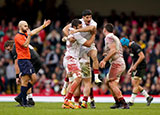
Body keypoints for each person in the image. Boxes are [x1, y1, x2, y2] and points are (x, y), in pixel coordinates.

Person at [14, 19, 51, 107]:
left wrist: (43, 26)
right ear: (20, 27)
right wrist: (29, 35)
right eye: (25, 26)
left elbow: (33, 31)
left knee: (32, 79)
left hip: (27, 60)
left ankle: (21, 98)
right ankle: (23, 100)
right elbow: (26, 45)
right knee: (28, 80)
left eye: (27, 26)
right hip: (23, 60)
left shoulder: (24, 34)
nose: (27, 27)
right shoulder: (18, 37)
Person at [62, 19, 96, 109]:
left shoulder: (71, 32)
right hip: (71, 59)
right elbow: (88, 44)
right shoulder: (76, 34)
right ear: (74, 27)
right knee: (79, 77)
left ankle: (65, 102)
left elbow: (66, 32)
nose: (81, 28)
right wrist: (93, 35)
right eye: (79, 27)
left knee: (72, 81)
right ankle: (67, 100)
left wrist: (67, 37)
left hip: (69, 58)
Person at [63, 9, 101, 83]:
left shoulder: (93, 23)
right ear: (83, 17)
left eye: (90, 17)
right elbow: (64, 29)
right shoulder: (78, 22)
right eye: (87, 17)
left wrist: (76, 31)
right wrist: (70, 37)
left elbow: (91, 28)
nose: (89, 19)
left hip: (89, 44)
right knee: (71, 69)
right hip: (79, 45)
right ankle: (65, 84)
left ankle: (96, 77)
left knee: (94, 56)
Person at [100, 23, 129, 109]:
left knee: (111, 83)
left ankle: (123, 103)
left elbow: (113, 51)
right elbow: (116, 50)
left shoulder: (108, 37)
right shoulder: (115, 37)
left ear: (104, 30)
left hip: (117, 63)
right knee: (108, 82)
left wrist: (104, 60)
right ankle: (118, 102)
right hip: (119, 62)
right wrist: (107, 54)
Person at [4, 40, 42, 106]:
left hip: (31, 62)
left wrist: (16, 76)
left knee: (24, 80)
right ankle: (29, 100)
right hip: (36, 61)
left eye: (8, 49)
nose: (9, 51)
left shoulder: (15, 47)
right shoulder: (20, 43)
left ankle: (21, 98)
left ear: (10, 45)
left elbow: (16, 63)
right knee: (27, 80)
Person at [120, 37, 153, 106]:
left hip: (141, 67)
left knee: (136, 84)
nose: (123, 47)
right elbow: (134, 59)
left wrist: (135, 66)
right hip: (136, 67)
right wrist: (132, 67)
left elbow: (142, 56)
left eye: (123, 46)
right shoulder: (130, 48)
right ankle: (148, 97)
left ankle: (131, 101)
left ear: (125, 45)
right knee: (135, 84)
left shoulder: (134, 46)